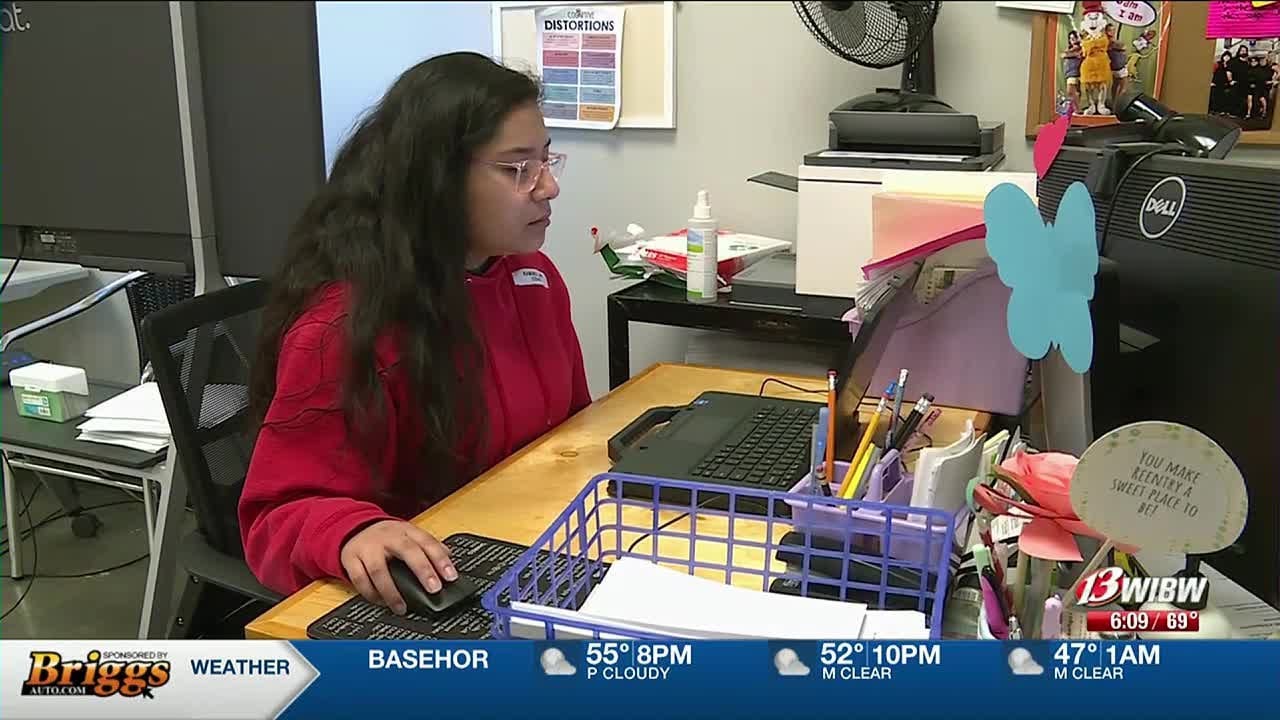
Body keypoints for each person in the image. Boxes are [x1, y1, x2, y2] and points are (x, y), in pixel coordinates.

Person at [240, 52, 590, 615]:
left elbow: (570, 424)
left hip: (529, 542)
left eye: (547, 161)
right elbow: (275, 515)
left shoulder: (535, 279)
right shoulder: (347, 325)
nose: (547, 188)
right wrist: (352, 533)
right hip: (438, 585)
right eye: (517, 168)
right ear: (438, 178)